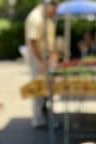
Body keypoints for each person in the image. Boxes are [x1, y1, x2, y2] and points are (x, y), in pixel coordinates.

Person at [25, 0, 59, 128]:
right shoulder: (36, 17)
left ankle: (45, 115)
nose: (54, 12)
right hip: (38, 58)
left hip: (46, 57)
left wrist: (53, 54)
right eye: (54, 9)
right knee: (38, 88)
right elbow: (33, 41)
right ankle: (38, 119)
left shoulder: (47, 18)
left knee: (47, 89)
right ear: (48, 5)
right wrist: (41, 61)